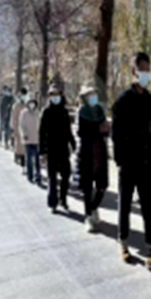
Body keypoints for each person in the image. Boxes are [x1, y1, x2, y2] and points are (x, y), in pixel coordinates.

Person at [112, 52, 151, 273]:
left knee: (149, 206)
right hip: (128, 162)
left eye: (148, 70)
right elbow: (116, 133)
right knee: (125, 204)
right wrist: (120, 160)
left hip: (147, 163)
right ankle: (123, 242)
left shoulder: (150, 100)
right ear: (134, 71)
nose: (146, 74)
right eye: (143, 69)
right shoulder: (123, 100)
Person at [77, 85, 109, 233]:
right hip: (87, 153)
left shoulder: (100, 110)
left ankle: (94, 207)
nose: (93, 97)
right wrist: (98, 129)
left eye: (94, 94)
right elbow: (81, 132)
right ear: (85, 97)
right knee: (87, 188)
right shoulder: (82, 112)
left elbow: (105, 130)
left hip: (100, 152)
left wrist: (107, 129)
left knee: (102, 186)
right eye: (90, 94)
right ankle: (88, 216)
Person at [39, 85, 76, 213]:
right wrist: (42, 152)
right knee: (52, 178)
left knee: (66, 175)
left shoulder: (64, 112)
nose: (55, 97)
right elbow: (41, 133)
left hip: (63, 150)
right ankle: (52, 203)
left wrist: (73, 144)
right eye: (53, 95)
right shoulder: (46, 112)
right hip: (51, 150)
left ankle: (63, 199)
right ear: (50, 96)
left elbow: (68, 130)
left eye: (57, 94)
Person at [20, 97, 41, 185]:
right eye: (30, 103)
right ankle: (30, 175)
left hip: (36, 139)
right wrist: (24, 134)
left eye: (33, 103)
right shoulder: (24, 113)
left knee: (37, 159)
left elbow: (40, 125)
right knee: (29, 159)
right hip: (27, 139)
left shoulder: (37, 113)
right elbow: (21, 125)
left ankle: (38, 176)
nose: (32, 105)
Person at [10, 88, 28, 169]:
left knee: (24, 146)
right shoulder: (16, 106)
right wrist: (13, 128)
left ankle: (23, 160)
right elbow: (13, 118)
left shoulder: (27, 105)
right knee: (19, 145)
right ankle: (18, 157)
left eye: (25, 95)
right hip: (18, 128)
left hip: (26, 128)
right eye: (22, 95)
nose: (24, 97)